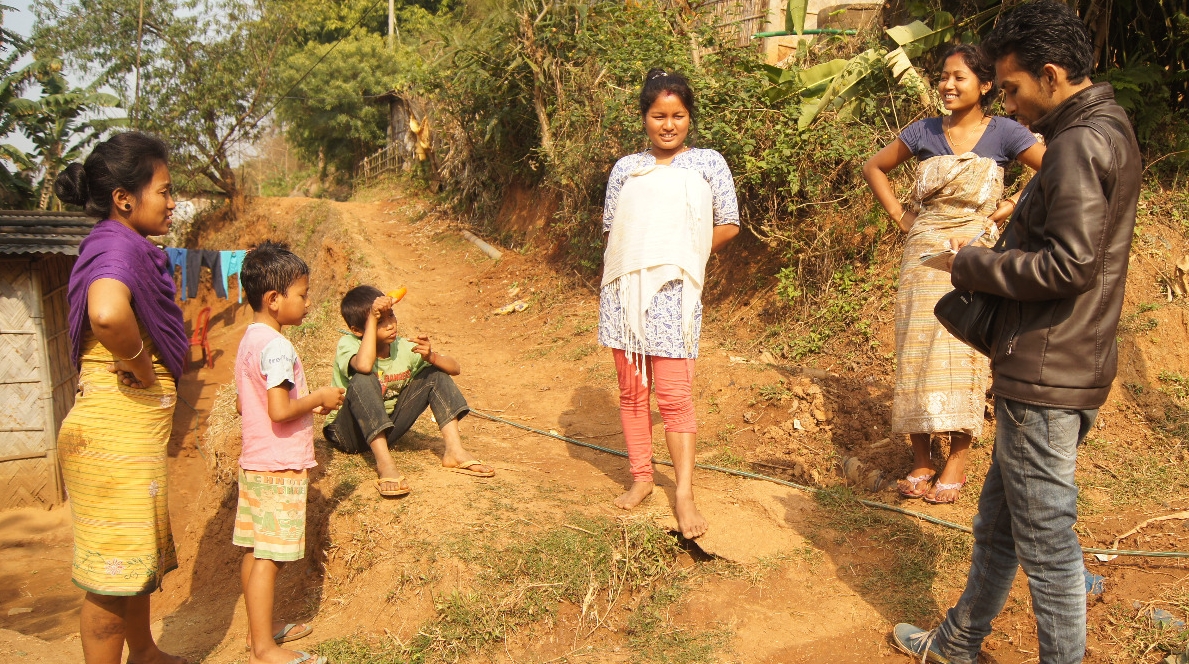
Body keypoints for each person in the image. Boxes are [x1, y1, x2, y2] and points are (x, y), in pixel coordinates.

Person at [893, 2, 1141, 662]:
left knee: (1048, 545)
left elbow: (1069, 263)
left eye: (1011, 88)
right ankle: (954, 643)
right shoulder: (1103, 129)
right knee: (998, 525)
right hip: (1057, 359)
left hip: (1046, 368)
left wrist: (969, 263)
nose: (1008, 102)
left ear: (1051, 75)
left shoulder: (1081, 143)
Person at [862, 44, 1045, 504]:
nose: (947, 85)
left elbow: (1055, 170)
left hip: (976, 258)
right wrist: (902, 217)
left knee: (965, 353)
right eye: (943, 76)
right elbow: (874, 167)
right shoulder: (923, 131)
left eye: (959, 77)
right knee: (917, 351)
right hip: (922, 258)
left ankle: (958, 458)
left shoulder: (1005, 133)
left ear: (985, 85)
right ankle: (921, 458)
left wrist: (1005, 212)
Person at [55, 131, 190, 664]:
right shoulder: (115, 245)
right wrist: (139, 364)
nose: (174, 202)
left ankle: (146, 652)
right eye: (165, 190)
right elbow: (108, 314)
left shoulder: (124, 245)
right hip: (111, 435)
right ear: (124, 199)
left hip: (124, 436)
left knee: (133, 558)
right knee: (111, 575)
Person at [599, 68, 740, 539]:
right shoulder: (627, 169)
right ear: (644, 118)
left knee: (676, 398)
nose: (668, 125)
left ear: (689, 118)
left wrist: (683, 256)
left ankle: (683, 491)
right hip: (626, 297)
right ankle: (641, 476)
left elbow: (729, 224)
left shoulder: (708, 164)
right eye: (658, 115)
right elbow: (613, 231)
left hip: (677, 297)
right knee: (632, 392)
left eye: (677, 115)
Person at [233, 241, 343, 664]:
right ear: (274, 300)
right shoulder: (277, 345)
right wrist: (317, 398)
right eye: (302, 294)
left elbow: (247, 403)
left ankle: (255, 634)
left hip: (255, 462)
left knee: (255, 552)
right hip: (278, 465)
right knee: (270, 559)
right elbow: (279, 410)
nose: (308, 301)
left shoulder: (250, 338)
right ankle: (265, 650)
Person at [323, 285, 494, 495]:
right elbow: (365, 366)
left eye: (391, 316)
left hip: (385, 429)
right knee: (363, 378)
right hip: (347, 432)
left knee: (435, 373)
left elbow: (455, 369)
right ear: (358, 330)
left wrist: (431, 357)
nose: (391, 325)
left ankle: (454, 451)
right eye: (380, 321)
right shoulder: (348, 344)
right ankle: (385, 463)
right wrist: (372, 319)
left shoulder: (402, 347)